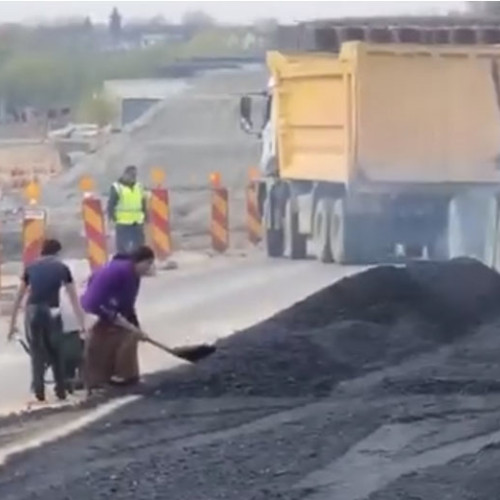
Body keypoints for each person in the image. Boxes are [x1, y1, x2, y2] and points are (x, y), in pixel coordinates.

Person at [7, 239, 86, 402]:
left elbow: (19, 296)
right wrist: (82, 324)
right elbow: (73, 298)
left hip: (32, 310)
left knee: (37, 352)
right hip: (51, 310)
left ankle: (39, 391)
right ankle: (61, 390)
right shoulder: (62, 268)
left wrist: (12, 324)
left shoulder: (31, 267)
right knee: (57, 351)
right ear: (58, 253)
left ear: (42, 252)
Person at [80, 245, 155, 392]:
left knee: (125, 333)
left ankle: (101, 378)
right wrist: (133, 328)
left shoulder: (130, 273)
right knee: (126, 336)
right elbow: (112, 307)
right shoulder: (124, 272)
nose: (149, 268)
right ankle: (124, 376)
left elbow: (128, 305)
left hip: (97, 305)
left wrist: (136, 325)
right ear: (138, 261)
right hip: (95, 307)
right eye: (148, 264)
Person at [107, 165, 148, 254]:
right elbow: (111, 204)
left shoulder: (139, 187)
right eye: (131, 175)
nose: (133, 177)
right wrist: (111, 218)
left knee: (140, 247)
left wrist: (146, 216)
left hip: (137, 222)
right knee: (123, 248)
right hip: (123, 222)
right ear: (125, 174)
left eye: (134, 175)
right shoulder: (117, 188)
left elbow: (143, 203)